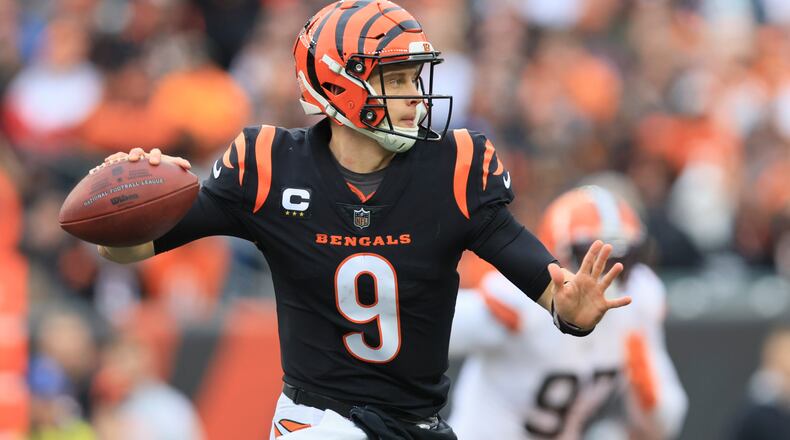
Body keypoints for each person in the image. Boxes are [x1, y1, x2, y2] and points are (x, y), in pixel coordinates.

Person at [93, 2, 629, 438]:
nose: (415, 96)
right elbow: (128, 249)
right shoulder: (269, 166)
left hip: (416, 424)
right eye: (396, 79)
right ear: (339, 85)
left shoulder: (453, 170)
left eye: (415, 77)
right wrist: (118, 213)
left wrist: (571, 310)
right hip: (316, 420)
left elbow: (546, 283)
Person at [448, 186, 688, 439]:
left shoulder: (637, 300)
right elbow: (433, 328)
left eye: (622, 259)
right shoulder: (520, 303)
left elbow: (665, 426)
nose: (605, 276)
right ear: (556, 255)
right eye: (590, 258)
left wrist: (649, 400)